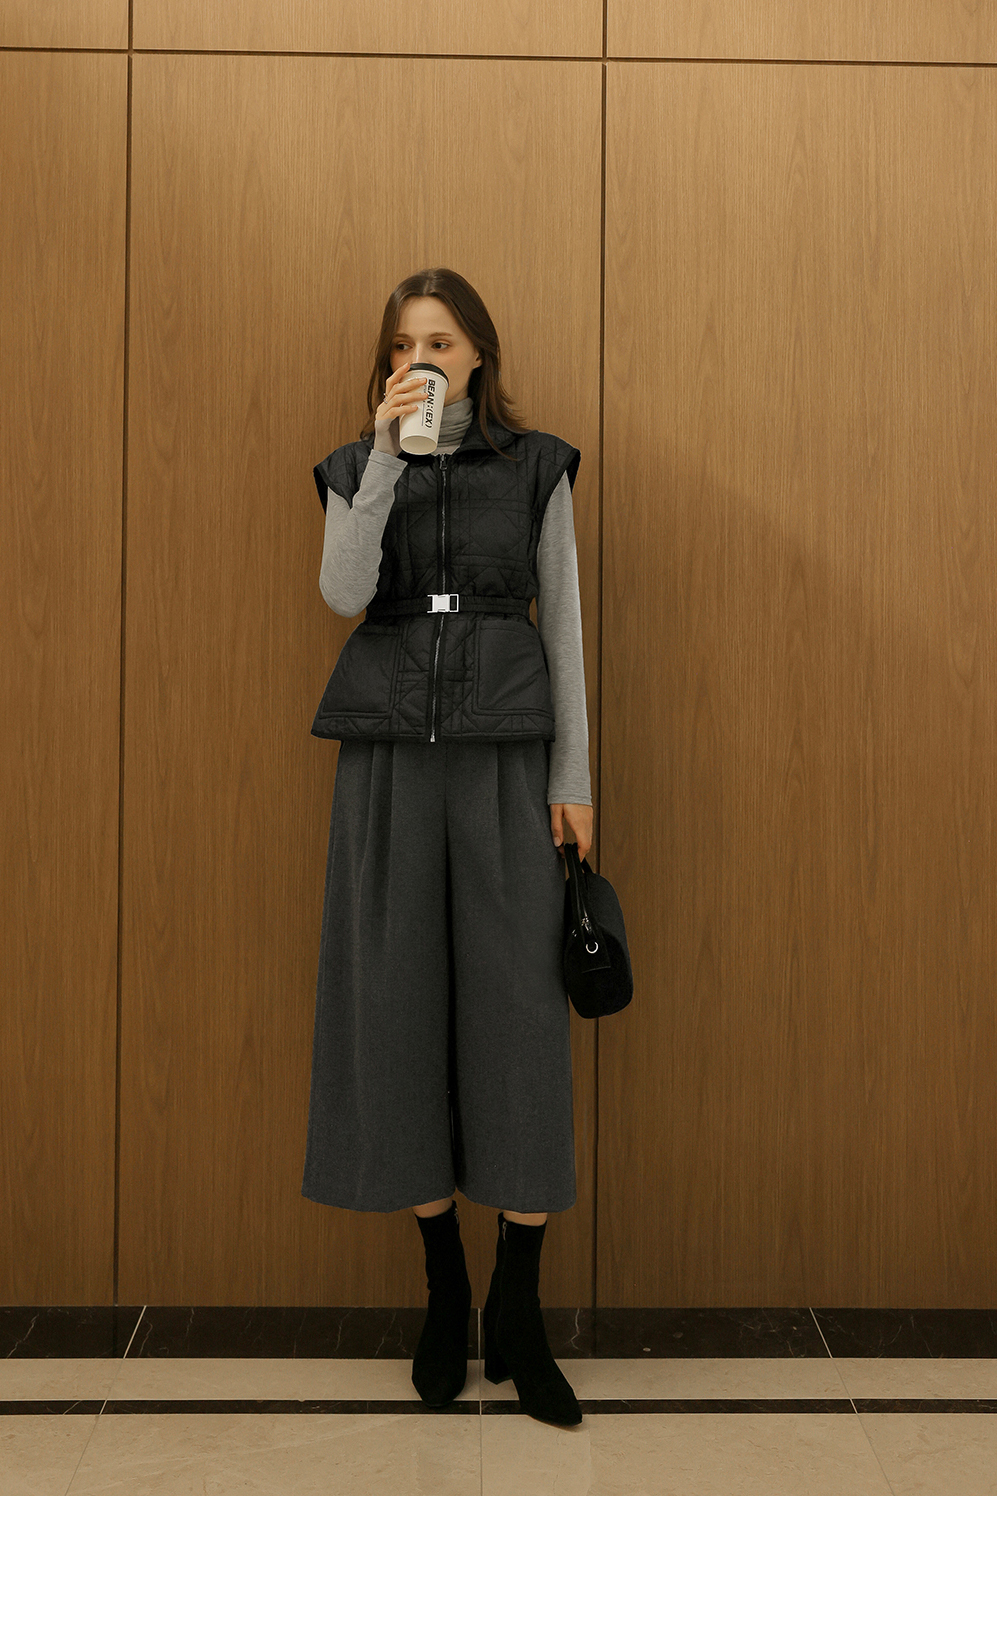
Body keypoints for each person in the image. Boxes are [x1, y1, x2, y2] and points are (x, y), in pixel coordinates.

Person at [301, 269, 594, 1428]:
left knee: (520, 1021)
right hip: (386, 765)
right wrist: (384, 455)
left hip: (504, 764)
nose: (418, 361)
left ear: (478, 354)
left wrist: (572, 780)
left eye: (439, 343)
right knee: (396, 1013)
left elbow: (562, 625)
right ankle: (443, 1289)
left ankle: (517, 1303)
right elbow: (341, 594)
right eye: (401, 346)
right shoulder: (352, 465)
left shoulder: (535, 468)